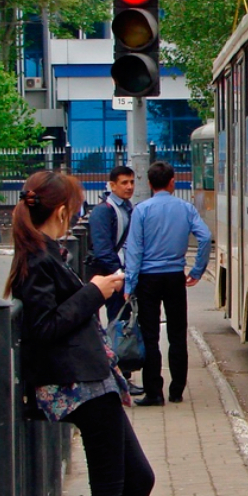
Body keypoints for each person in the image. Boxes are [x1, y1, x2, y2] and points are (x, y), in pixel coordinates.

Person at [5, 170, 165, 496]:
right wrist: (95, 291)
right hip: (78, 385)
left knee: (137, 478)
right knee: (112, 484)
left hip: (90, 381)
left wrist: (94, 291)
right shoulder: (36, 260)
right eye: (73, 210)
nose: (76, 216)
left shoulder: (42, 254)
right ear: (60, 212)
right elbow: (45, 327)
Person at [124, 161, 212, 406]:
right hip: (175, 277)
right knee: (177, 334)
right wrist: (197, 270)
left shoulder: (141, 211)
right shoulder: (185, 208)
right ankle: (177, 390)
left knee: (150, 336)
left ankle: (154, 392)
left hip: (147, 279)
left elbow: (134, 250)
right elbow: (204, 237)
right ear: (172, 181)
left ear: (150, 184)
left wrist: (129, 285)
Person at [88, 166, 143, 397]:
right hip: (109, 278)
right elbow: (102, 249)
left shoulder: (127, 208)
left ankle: (120, 377)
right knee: (116, 327)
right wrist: (119, 275)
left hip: (118, 276)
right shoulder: (105, 211)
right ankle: (117, 380)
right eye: (123, 182)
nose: (129, 186)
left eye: (131, 182)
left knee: (119, 325)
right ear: (112, 185)